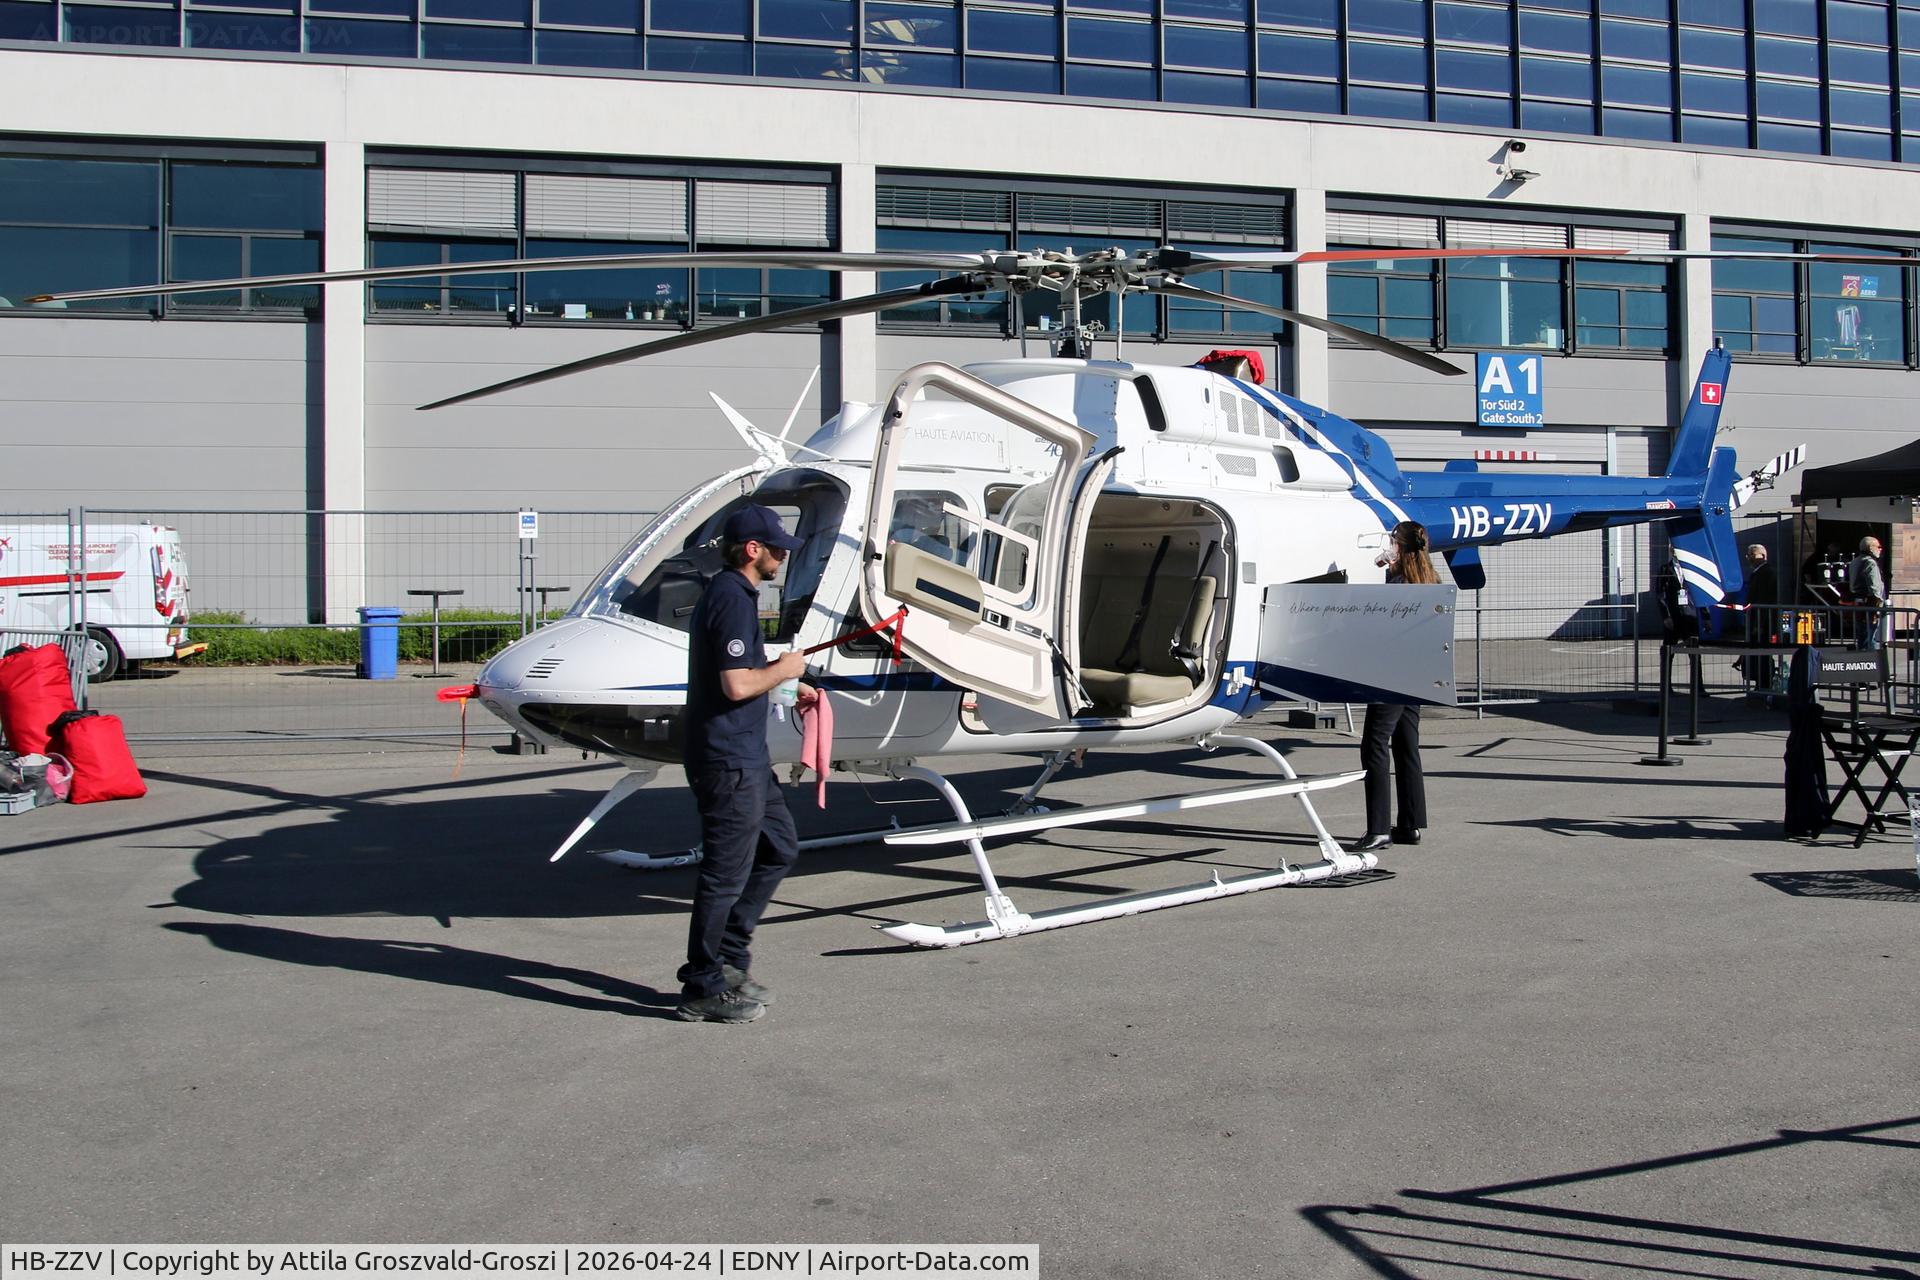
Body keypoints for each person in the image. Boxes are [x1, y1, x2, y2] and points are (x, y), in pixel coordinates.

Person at [675, 504, 817, 1024]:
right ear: (752, 550)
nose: (784, 555)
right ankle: (702, 983)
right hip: (728, 759)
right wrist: (784, 665)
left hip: (746, 755)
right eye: (778, 547)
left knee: (780, 847)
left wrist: (787, 682)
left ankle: (731, 959)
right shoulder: (732, 598)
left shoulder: (736, 596)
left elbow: (738, 672)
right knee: (724, 875)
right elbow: (736, 684)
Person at [1347, 521, 1439, 854]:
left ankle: (1378, 828)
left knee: (1374, 744)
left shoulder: (1396, 585)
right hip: (1416, 674)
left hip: (1390, 675)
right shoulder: (1429, 581)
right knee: (1406, 746)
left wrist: (1378, 570)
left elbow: (1378, 624)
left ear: (1398, 546)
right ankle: (1410, 823)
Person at [1740, 544, 1779, 687]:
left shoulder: (1766, 573)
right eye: (1748, 555)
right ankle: (1760, 683)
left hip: (1763, 622)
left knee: (1762, 653)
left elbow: (1764, 600)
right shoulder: (1758, 573)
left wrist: (1758, 624)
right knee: (1757, 653)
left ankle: (1764, 683)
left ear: (1763, 556)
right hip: (1757, 620)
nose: (1749, 558)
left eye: (1752, 555)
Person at [1848, 534, 1885, 650]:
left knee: (1863, 635)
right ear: (1870, 548)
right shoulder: (1870, 563)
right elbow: (1874, 588)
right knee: (1869, 637)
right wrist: (1877, 607)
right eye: (1878, 547)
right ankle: (1870, 663)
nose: (1880, 549)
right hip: (1869, 604)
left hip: (1858, 603)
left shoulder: (1855, 561)